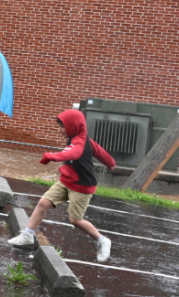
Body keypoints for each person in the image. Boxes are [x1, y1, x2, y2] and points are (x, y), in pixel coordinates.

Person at [8, 109, 115, 262]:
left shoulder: (80, 142)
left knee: (75, 220)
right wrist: (110, 163)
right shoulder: (76, 138)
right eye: (59, 127)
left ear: (74, 126)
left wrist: (52, 156)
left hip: (81, 186)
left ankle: (102, 241)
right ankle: (27, 235)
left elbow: (74, 153)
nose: (60, 130)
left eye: (63, 127)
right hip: (67, 181)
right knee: (43, 203)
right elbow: (100, 152)